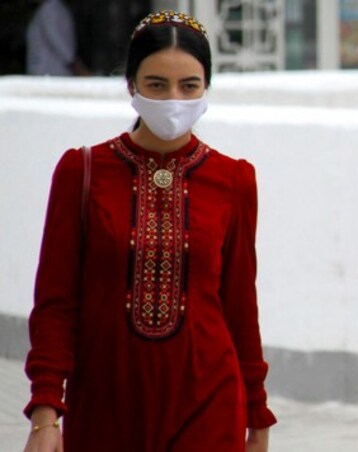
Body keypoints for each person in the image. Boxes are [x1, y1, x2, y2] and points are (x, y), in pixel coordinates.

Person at [23, 10, 276, 452]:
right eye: (157, 84)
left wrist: (258, 416)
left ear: (206, 89)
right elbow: (55, 304)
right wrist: (46, 413)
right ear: (131, 86)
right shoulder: (81, 171)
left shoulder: (234, 180)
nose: (173, 99)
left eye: (189, 86)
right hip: (106, 405)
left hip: (209, 404)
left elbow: (239, 307)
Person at [25, 0, 90, 76]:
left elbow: (57, 41)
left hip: (50, 72)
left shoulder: (51, 9)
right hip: (47, 71)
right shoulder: (48, 9)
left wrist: (74, 64)